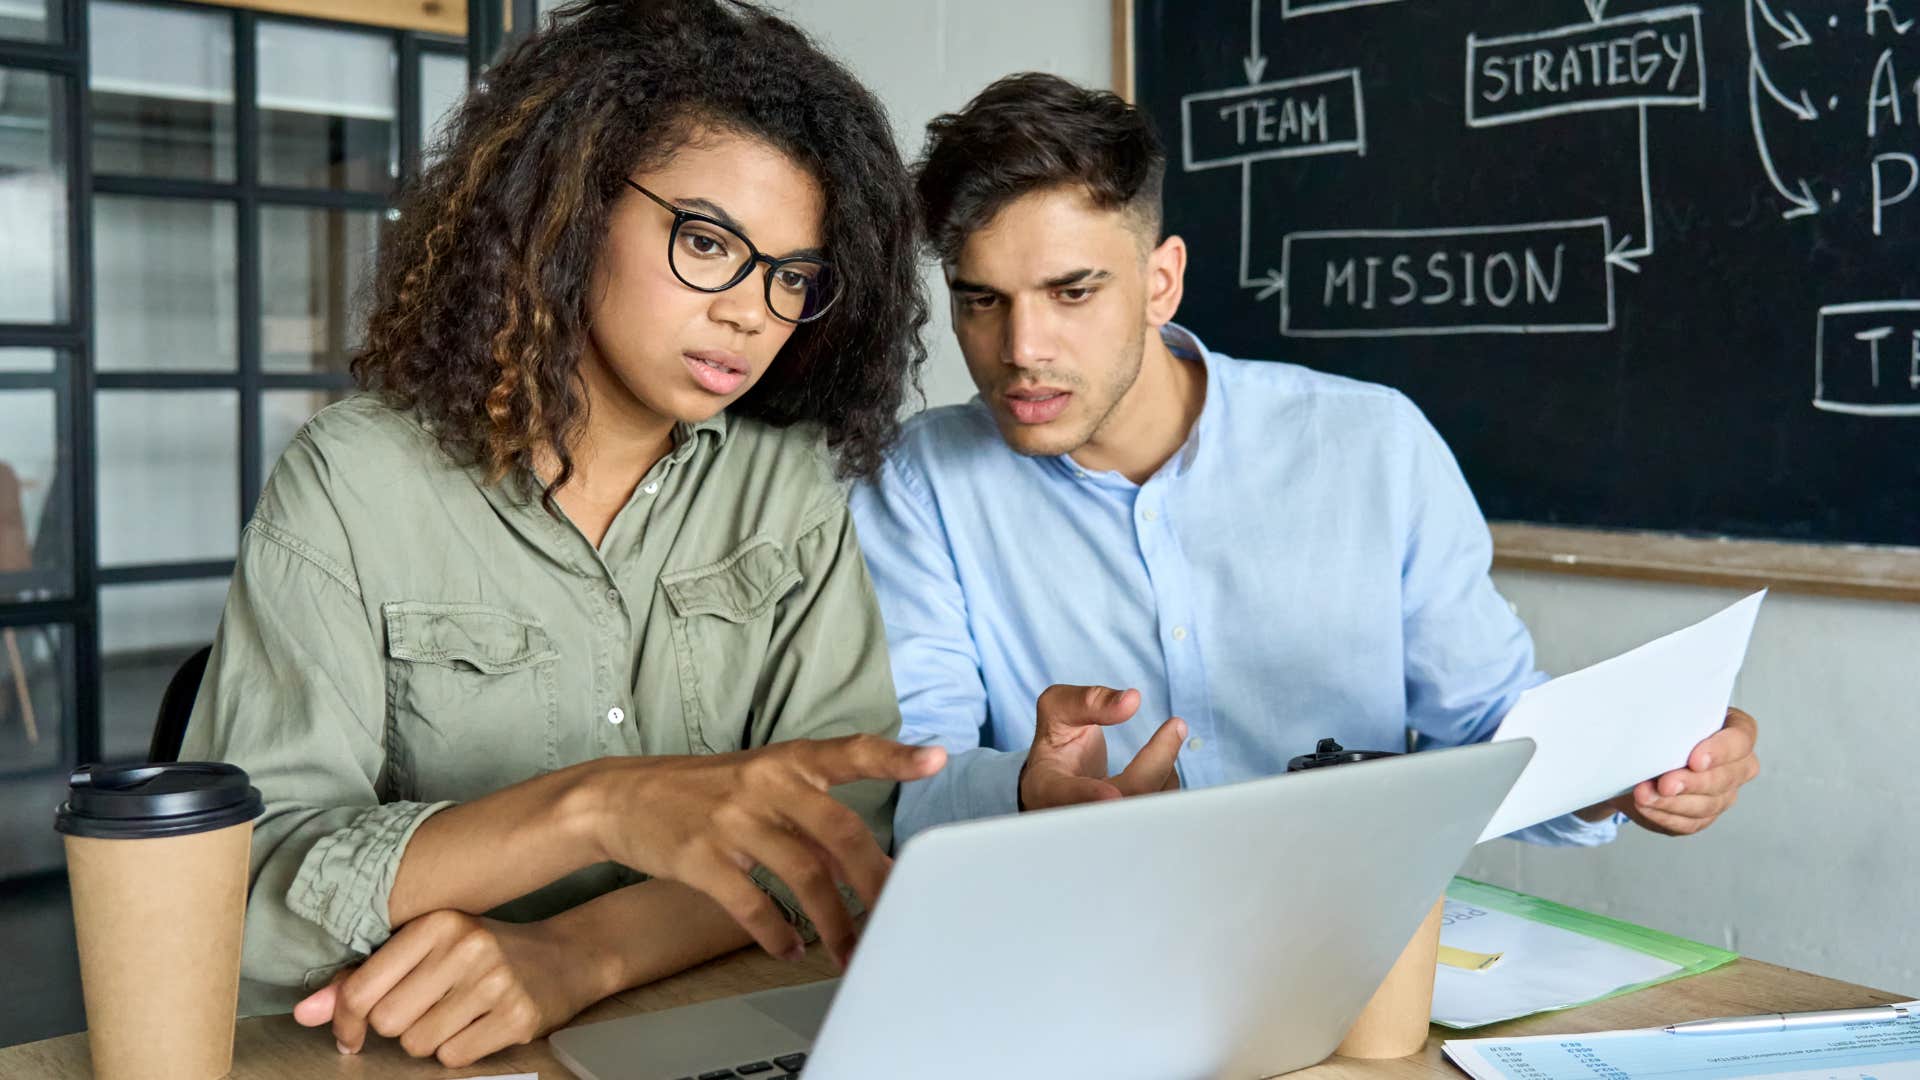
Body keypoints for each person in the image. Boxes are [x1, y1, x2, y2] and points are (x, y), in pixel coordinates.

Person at [179, 0, 942, 1066]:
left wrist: (582, 955)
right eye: (709, 241)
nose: (751, 313)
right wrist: (592, 810)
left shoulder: (787, 485)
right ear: (569, 207)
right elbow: (245, 890)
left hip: (709, 1019)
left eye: (792, 276)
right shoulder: (355, 481)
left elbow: (838, 837)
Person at [850, 72, 1759, 848]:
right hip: (1088, 948)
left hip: (1351, 953)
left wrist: (1648, 763)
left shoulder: (1372, 445)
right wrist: (1021, 788)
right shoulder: (919, 481)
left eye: (1071, 291)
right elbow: (910, 783)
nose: (1022, 347)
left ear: (1160, 281)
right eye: (981, 302)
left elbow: (1492, 734)